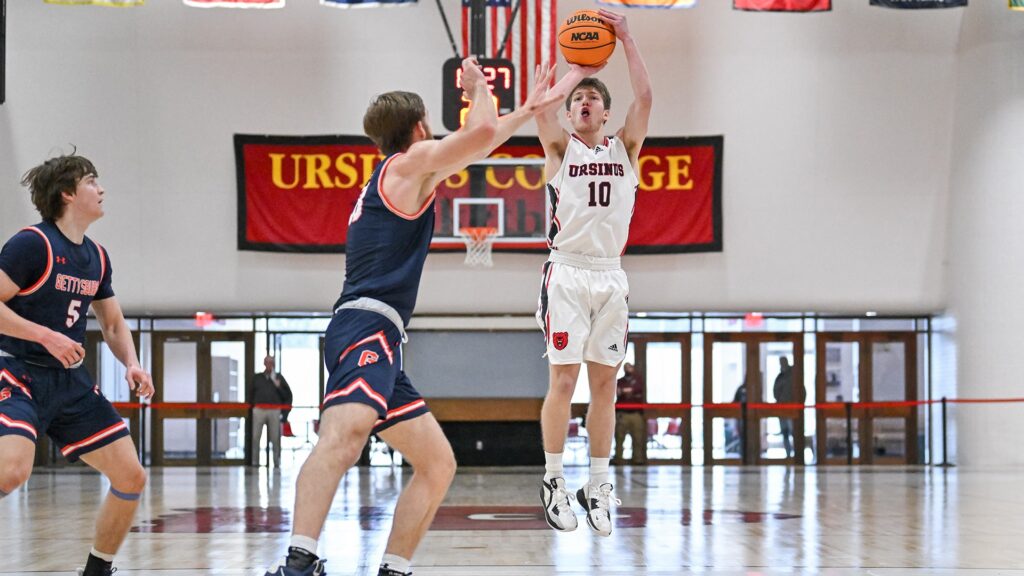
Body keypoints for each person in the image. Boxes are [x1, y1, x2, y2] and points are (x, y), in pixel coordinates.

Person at [263, 58, 562, 576]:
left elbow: (483, 141)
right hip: (365, 325)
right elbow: (482, 130)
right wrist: (478, 89)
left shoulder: (402, 171)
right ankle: (298, 562)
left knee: (438, 463)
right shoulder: (407, 165)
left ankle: (393, 568)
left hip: (377, 333)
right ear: (420, 126)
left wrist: (530, 110)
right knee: (343, 436)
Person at [0, 153, 154, 576]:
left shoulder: (97, 257)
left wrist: (133, 364)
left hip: (68, 381)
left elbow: (113, 323)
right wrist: (45, 335)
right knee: (11, 473)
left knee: (131, 476)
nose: (101, 189)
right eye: (92, 180)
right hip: (16, 370)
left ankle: (97, 571)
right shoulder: (33, 243)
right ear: (68, 193)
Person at [534, 8, 652, 538]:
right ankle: (555, 479)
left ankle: (599, 484)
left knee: (605, 386)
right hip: (567, 272)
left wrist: (623, 39)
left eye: (594, 99)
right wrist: (578, 69)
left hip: (610, 275)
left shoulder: (625, 149)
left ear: (606, 114)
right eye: (579, 98)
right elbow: (543, 110)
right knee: (565, 379)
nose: (584, 103)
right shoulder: (559, 149)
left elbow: (645, 99)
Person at [250, 354, 293, 468]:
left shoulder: (278, 378)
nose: (269, 365)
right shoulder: (258, 377)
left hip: (274, 410)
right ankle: (255, 462)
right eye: (267, 362)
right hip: (259, 410)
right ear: (264, 364)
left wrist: (278, 386)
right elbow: (251, 393)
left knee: (275, 437)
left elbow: (287, 395)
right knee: (256, 437)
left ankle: (276, 461)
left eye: (271, 363)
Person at [613, 363, 646, 464]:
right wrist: (625, 391)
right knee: (619, 438)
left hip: (635, 413)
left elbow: (637, 390)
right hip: (622, 414)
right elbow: (618, 392)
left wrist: (626, 391)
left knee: (638, 438)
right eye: (626, 367)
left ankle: (637, 459)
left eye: (629, 367)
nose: (628, 369)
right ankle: (618, 459)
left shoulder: (638, 381)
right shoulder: (620, 381)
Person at [772, 356, 804, 458]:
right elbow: (775, 392)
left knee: (793, 432)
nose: (782, 363)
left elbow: (802, 391)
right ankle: (788, 454)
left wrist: (799, 404)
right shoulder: (780, 377)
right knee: (785, 432)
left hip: (792, 409)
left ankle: (797, 454)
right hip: (782, 409)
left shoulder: (794, 376)